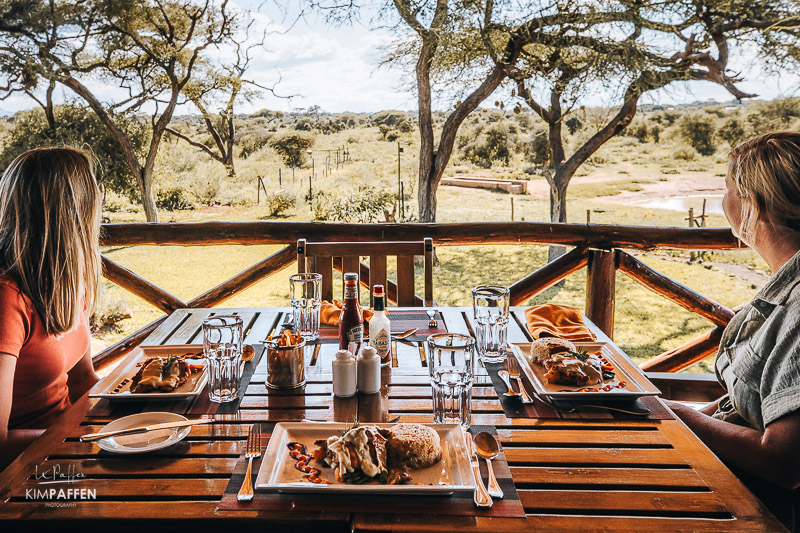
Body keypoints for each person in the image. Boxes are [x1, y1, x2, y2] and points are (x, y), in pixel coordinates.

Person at [665, 132, 800, 529]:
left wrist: (681, 418)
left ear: (755, 204)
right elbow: (752, 402)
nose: (724, 201)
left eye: (727, 188)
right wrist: (693, 415)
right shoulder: (787, 283)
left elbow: (785, 463)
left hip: (756, 508)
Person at [0, 147, 101, 468]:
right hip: (26, 472)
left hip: (69, 445)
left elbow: (83, 379)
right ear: (73, 209)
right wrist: (89, 440)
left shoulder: (68, 278)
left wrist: (138, 408)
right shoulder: (7, 296)